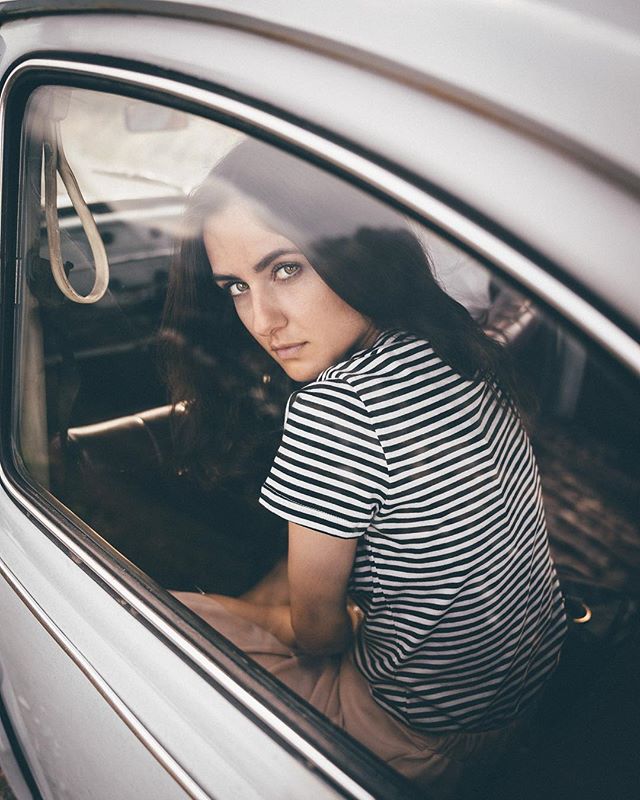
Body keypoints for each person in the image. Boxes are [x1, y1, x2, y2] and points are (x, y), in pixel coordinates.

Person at [162, 138, 567, 797]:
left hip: (409, 739)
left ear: (350, 253)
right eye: (237, 287)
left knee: (161, 617)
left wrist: (256, 615)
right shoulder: (454, 342)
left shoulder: (334, 407)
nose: (261, 320)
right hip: (523, 691)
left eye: (285, 269)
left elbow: (319, 636)